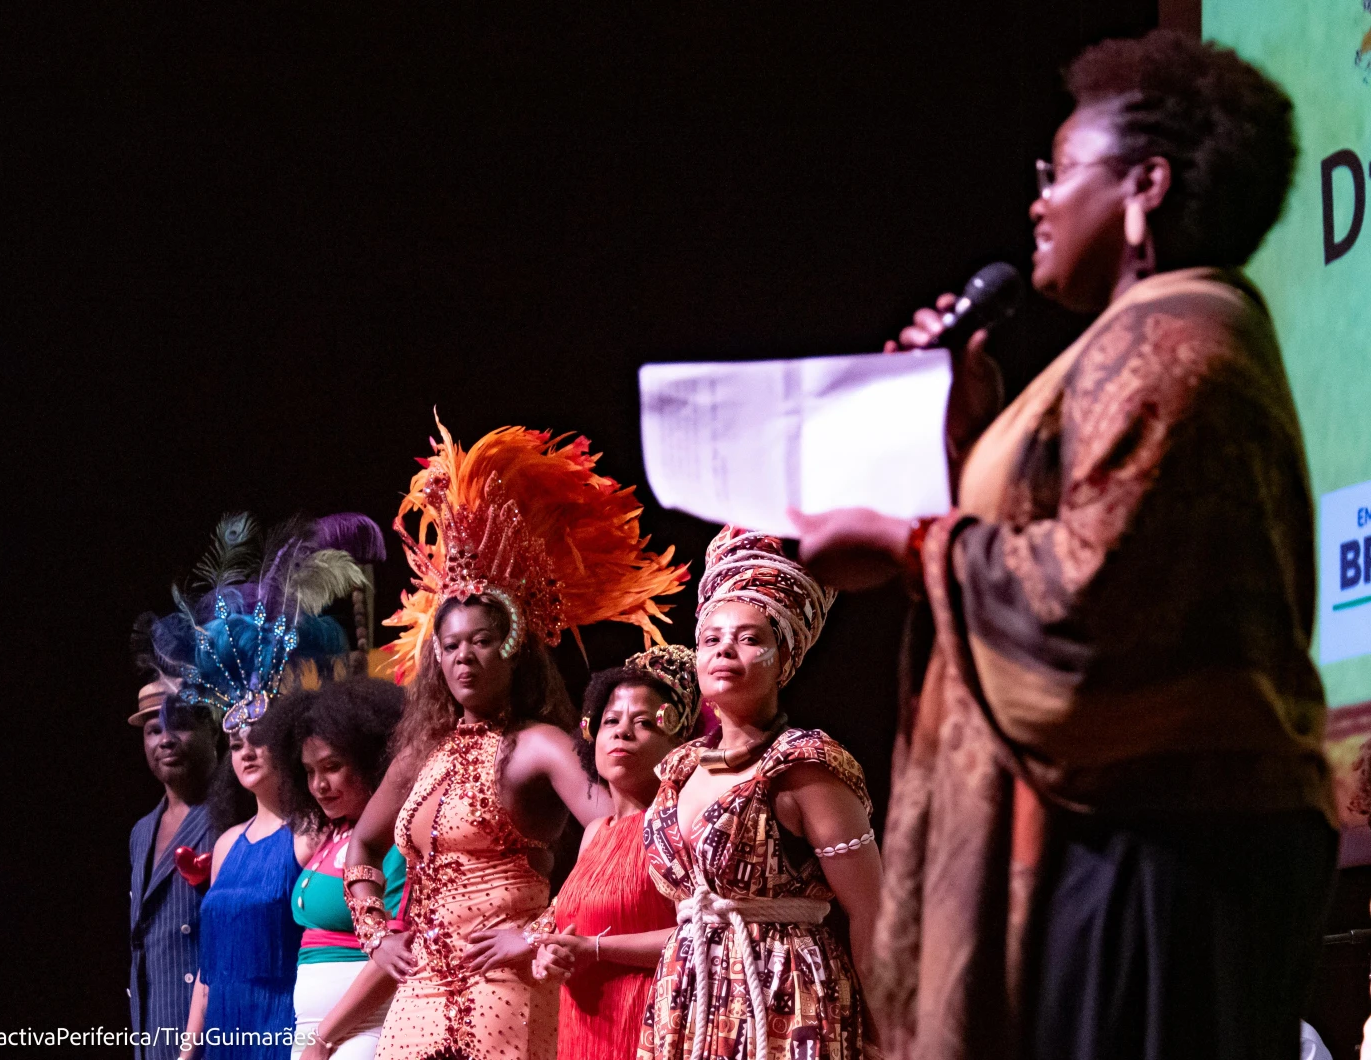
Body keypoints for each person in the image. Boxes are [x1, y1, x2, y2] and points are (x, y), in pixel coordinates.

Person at [792, 29, 1336, 1060]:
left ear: (1147, 186)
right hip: (1122, 841)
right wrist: (951, 438)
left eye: (1058, 170)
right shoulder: (1129, 348)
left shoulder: (1175, 348)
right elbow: (1045, 541)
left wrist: (912, 546)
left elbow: (1096, 603)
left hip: (1155, 858)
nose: (1037, 199)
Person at [343, 417, 687, 1060]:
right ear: (435, 659)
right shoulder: (421, 751)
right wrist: (376, 934)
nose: (465, 658)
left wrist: (537, 931)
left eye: (481, 643)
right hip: (419, 983)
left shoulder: (541, 745)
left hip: (506, 980)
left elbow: (612, 827)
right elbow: (362, 840)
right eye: (450, 646)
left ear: (514, 653)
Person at [639, 526, 883, 1060]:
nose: (725, 648)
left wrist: (888, 1033)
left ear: (783, 658)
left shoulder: (804, 765)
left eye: (750, 638)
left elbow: (871, 911)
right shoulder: (679, 768)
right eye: (711, 639)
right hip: (687, 996)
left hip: (784, 997)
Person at [164, 512, 381, 1059]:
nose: (247, 751)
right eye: (236, 744)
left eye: (260, 739)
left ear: (285, 744)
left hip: (283, 1032)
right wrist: (188, 1050)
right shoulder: (228, 843)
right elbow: (209, 971)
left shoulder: (314, 836)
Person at [528, 644, 701, 1060]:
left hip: (650, 1026)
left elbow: (707, 934)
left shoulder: (681, 822)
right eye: (611, 721)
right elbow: (569, 930)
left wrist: (597, 950)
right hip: (583, 1030)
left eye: (644, 722)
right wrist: (548, 955)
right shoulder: (594, 832)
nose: (623, 732)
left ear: (679, 740)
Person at [252, 676, 408, 1060]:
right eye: (309, 772)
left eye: (332, 767)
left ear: (371, 762)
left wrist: (324, 1038)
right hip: (316, 1035)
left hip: (367, 1028)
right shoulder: (331, 834)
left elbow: (399, 950)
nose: (319, 785)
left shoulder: (395, 840)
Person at [129, 662, 222, 1060]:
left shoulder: (233, 815)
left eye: (178, 725)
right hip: (156, 1024)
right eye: (153, 731)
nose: (165, 740)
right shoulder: (142, 831)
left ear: (212, 730)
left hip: (212, 1025)